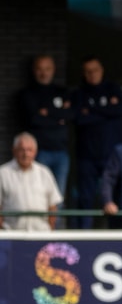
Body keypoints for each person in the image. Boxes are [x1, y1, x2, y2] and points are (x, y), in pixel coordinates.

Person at [73, 56, 122, 229]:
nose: (92, 74)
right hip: (86, 155)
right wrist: (106, 112)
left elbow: (119, 110)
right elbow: (79, 118)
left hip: (111, 155)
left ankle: (114, 233)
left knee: (111, 198)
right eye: (88, 71)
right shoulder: (79, 93)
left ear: (101, 70)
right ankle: (84, 234)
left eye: (95, 70)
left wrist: (92, 110)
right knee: (86, 198)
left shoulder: (114, 89)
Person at [16, 55, 72, 200]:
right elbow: (34, 119)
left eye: (47, 69)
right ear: (34, 71)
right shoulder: (27, 94)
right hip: (39, 152)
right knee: (38, 195)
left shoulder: (62, 92)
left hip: (61, 152)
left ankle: (55, 224)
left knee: (57, 198)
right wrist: (58, 118)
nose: (43, 73)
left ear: (53, 70)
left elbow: (70, 115)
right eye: (40, 69)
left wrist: (47, 113)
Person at [0, 133, 63, 232]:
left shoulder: (44, 172)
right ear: (14, 151)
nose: (26, 154)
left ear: (35, 152)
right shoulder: (3, 173)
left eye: (30, 150)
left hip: (41, 234)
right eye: (22, 150)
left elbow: (52, 206)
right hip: (12, 236)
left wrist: (50, 230)